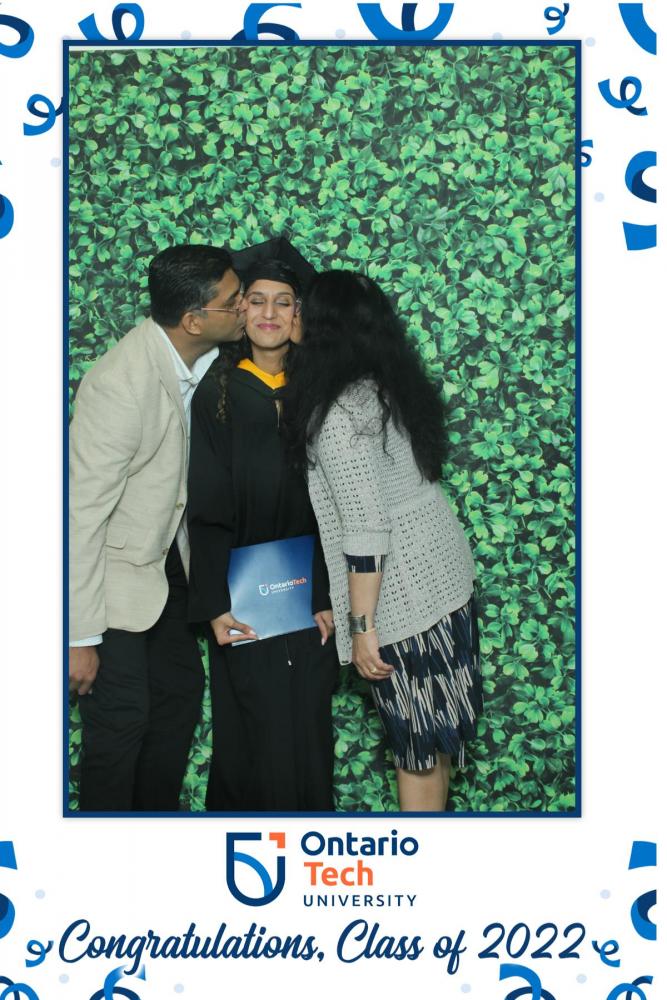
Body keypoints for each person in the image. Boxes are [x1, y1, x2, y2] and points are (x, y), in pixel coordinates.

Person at [284, 269, 482, 812]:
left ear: (323, 326)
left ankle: (416, 860)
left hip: (406, 598)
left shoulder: (340, 414)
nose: (290, 316)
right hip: (445, 584)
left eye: (299, 308)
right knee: (433, 741)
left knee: (415, 747)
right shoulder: (383, 387)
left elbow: (366, 530)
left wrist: (362, 628)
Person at [69, 244, 245, 811]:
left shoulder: (200, 360)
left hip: (165, 573)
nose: (244, 308)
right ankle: (104, 850)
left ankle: (153, 840)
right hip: (112, 585)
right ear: (193, 320)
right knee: (122, 722)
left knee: (178, 697)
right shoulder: (120, 384)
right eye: (234, 301)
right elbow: (81, 515)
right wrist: (79, 637)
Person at [187, 248, 340, 812]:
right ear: (240, 311)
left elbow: (341, 507)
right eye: (256, 301)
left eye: (283, 302)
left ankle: (309, 843)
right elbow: (206, 508)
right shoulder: (218, 393)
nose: (269, 314)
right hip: (245, 599)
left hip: (311, 596)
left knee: (308, 727)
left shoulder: (325, 391)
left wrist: (327, 594)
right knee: (253, 732)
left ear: (300, 314)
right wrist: (214, 603)